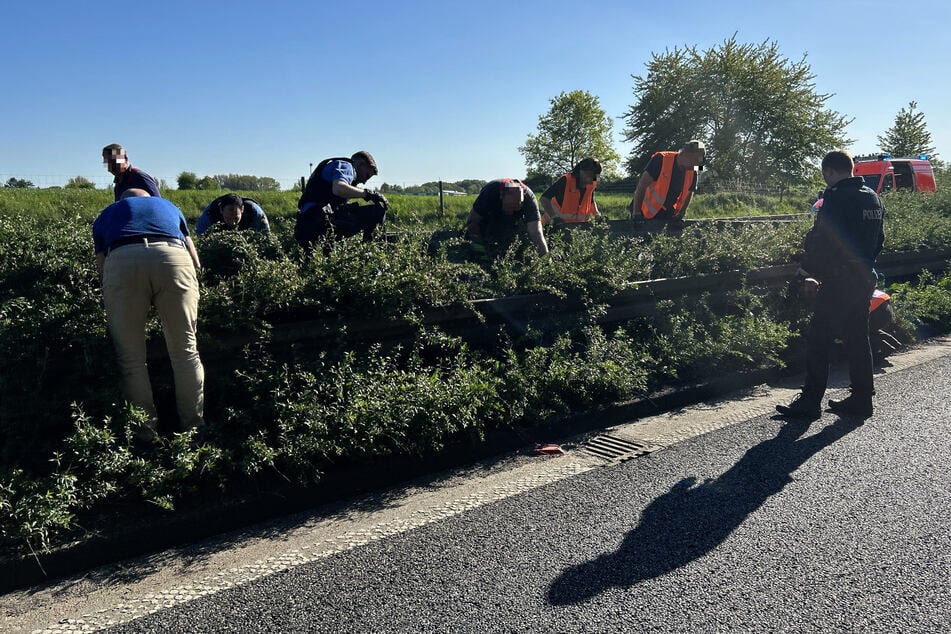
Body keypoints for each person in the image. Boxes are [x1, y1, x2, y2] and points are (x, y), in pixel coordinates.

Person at [777, 150, 885, 420]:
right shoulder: (872, 197)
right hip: (863, 277)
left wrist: (806, 271)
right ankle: (862, 400)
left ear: (829, 172)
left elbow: (822, 241)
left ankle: (810, 402)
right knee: (858, 339)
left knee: (818, 340)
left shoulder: (835, 199)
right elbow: (879, 240)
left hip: (839, 281)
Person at [92, 188, 205, 434]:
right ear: (150, 199)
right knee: (186, 352)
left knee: (130, 359)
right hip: (173, 256)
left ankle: (146, 433)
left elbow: (101, 265)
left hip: (122, 258)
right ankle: (193, 429)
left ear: (122, 200)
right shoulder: (170, 207)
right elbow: (195, 258)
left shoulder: (108, 213)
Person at [294, 151, 388, 250]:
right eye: (367, 176)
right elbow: (339, 188)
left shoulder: (335, 167)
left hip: (306, 228)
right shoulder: (346, 166)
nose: (364, 182)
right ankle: (373, 253)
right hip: (319, 222)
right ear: (360, 165)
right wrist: (367, 194)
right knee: (377, 212)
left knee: (325, 260)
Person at [628, 140, 706, 232]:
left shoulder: (694, 169)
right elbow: (642, 185)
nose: (696, 165)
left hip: (668, 215)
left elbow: (690, 191)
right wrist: (636, 214)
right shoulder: (661, 159)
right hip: (643, 212)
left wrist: (681, 214)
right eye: (695, 160)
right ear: (685, 154)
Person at [463, 178, 549, 256]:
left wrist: (546, 260)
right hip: (492, 215)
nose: (510, 212)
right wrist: (480, 247)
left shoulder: (529, 200)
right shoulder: (489, 193)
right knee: (477, 229)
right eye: (509, 207)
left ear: (522, 202)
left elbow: (536, 233)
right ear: (501, 196)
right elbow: (471, 221)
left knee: (519, 231)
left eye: (515, 207)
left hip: (516, 221)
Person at [540, 157, 602, 226]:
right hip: (552, 226)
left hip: (576, 229)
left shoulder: (591, 184)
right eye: (591, 175)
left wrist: (596, 214)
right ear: (582, 171)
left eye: (595, 176)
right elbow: (544, 199)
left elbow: (591, 200)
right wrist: (554, 217)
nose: (594, 179)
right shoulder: (566, 180)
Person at [195, 193, 270, 236]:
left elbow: (266, 236)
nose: (233, 222)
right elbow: (200, 236)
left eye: (236, 218)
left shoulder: (255, 212)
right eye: (228, 218)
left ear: (242, 209)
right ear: (221, 210)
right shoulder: (210, 213)